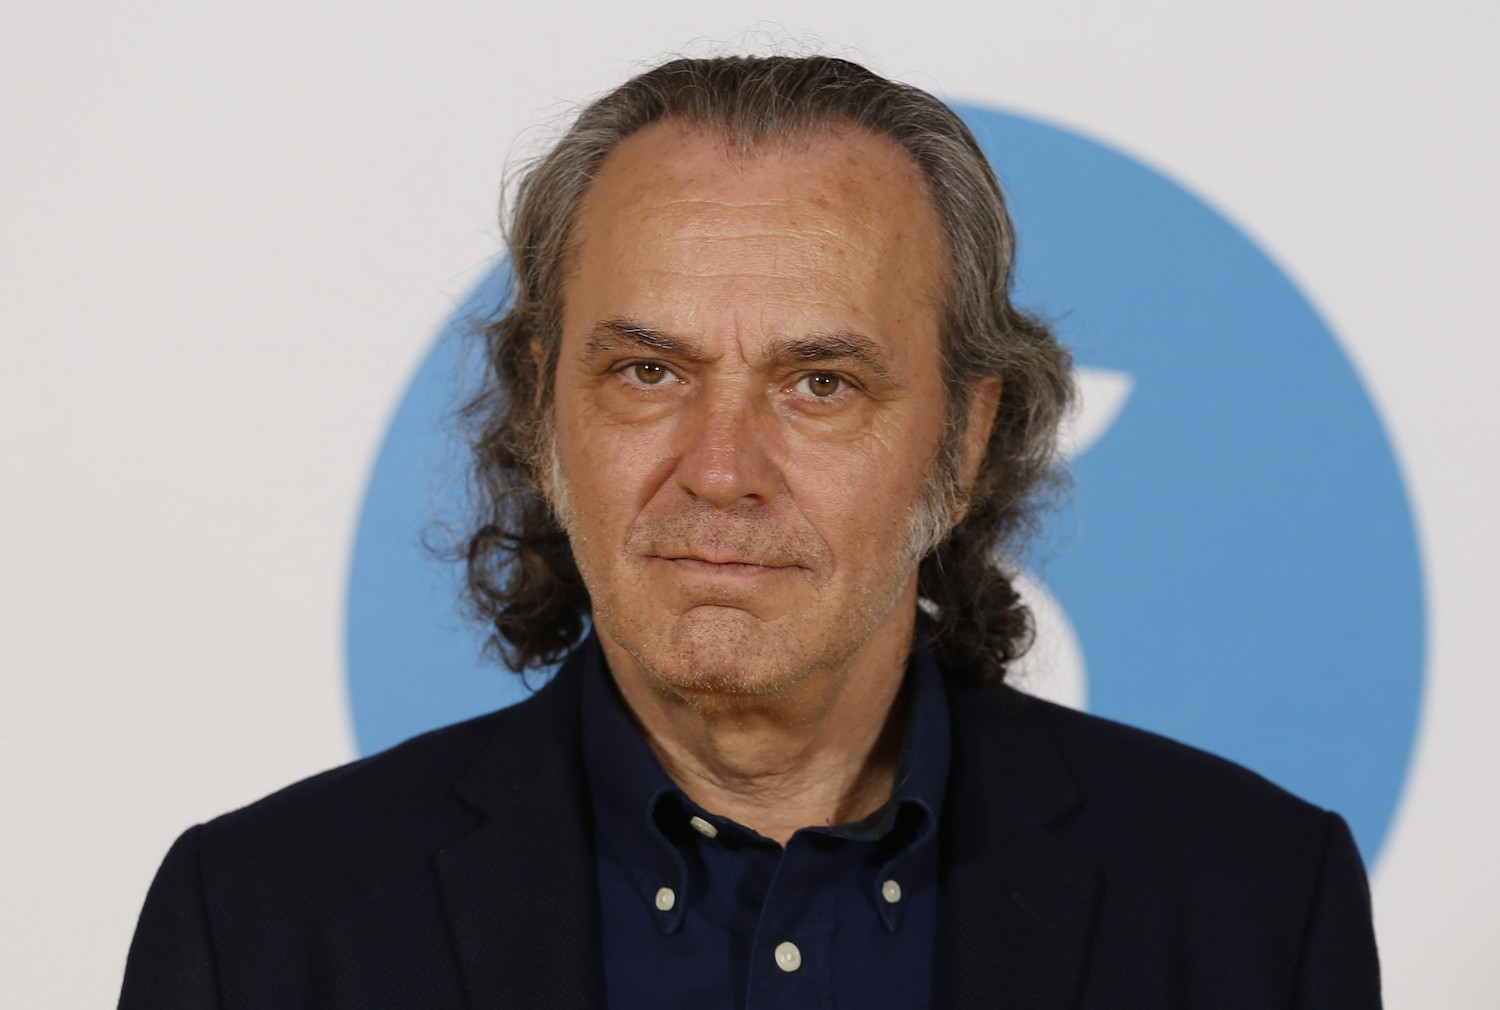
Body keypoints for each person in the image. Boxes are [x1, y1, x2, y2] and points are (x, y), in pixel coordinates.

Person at [120, 55, 1382, 1009]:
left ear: (966, 438)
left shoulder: (1257, 909)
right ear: (544, 409)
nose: (721, 470)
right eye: (649, 371)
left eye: (819, 382)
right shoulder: (262, 927)